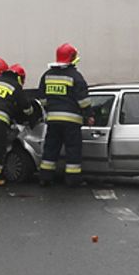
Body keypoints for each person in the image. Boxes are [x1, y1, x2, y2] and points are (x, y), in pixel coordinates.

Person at [38, 43, 91, 187]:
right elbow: (83, 101)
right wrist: (88, 115)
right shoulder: (75, 76)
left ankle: (45, 177)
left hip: (53, 120)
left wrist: (50, 109)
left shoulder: (47, 75)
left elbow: (42, 99)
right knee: (73, 150)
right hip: (71, 121)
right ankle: (72, 180)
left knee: (50, 149)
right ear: (72, 58)